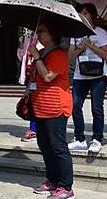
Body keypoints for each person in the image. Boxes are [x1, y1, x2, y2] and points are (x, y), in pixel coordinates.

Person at [28, 20, 75, 199]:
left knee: (58, 146)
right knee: (45, 145)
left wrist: (37, 57)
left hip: (56, 107)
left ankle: (66, 186)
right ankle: (53, 179)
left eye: (42, 31)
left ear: (52, 34)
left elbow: (48, 76)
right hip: (40, 106)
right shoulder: (41, 52)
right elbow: (36, 76)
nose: (38, 34)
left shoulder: (58, 54)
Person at [68, 3, 107, 154]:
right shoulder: (75, 34)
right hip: (80, 75)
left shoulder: (101, 32)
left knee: (96, 108)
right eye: (81, 12)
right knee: (75, 105)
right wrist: (80, 47)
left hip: (98, 75)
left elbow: (106, 55)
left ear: (92, 15)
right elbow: (69, 57)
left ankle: (97, 138)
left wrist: (91, 45)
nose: (82, 15)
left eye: (85, 12)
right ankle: (79, 138)